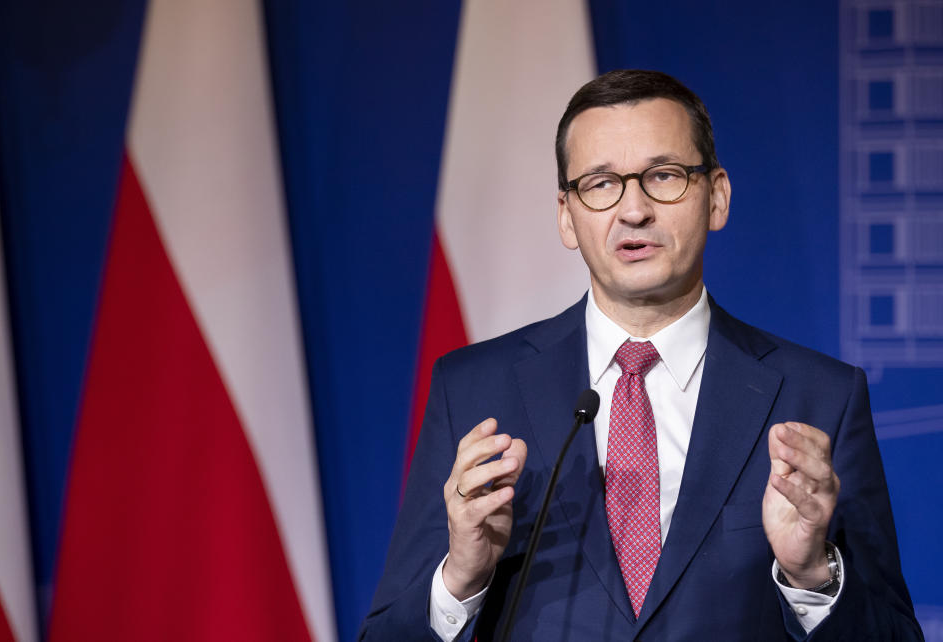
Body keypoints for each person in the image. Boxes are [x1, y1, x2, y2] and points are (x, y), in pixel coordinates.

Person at [360, 70, 922, 641]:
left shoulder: (820, 396)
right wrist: (460, 578)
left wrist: (811, 576)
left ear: (717, 196)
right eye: (601, 183)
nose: (634, 211)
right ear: (565, 215)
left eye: (664, 176)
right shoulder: (474, 389)